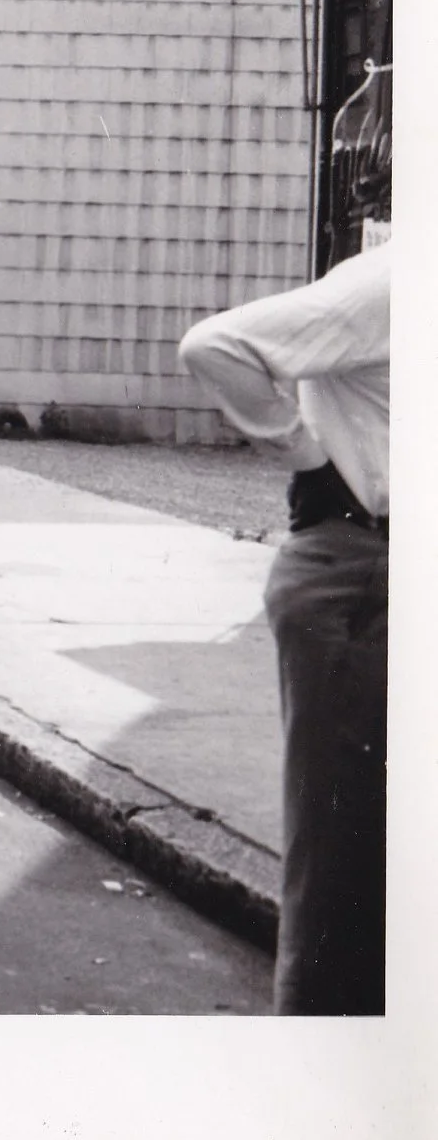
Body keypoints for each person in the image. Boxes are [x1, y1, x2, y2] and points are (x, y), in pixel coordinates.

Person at [179, 242, 389, 1016]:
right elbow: (216, 344)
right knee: (342, 854)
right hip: (363, 565)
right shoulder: (394, 279)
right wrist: (306, 451)